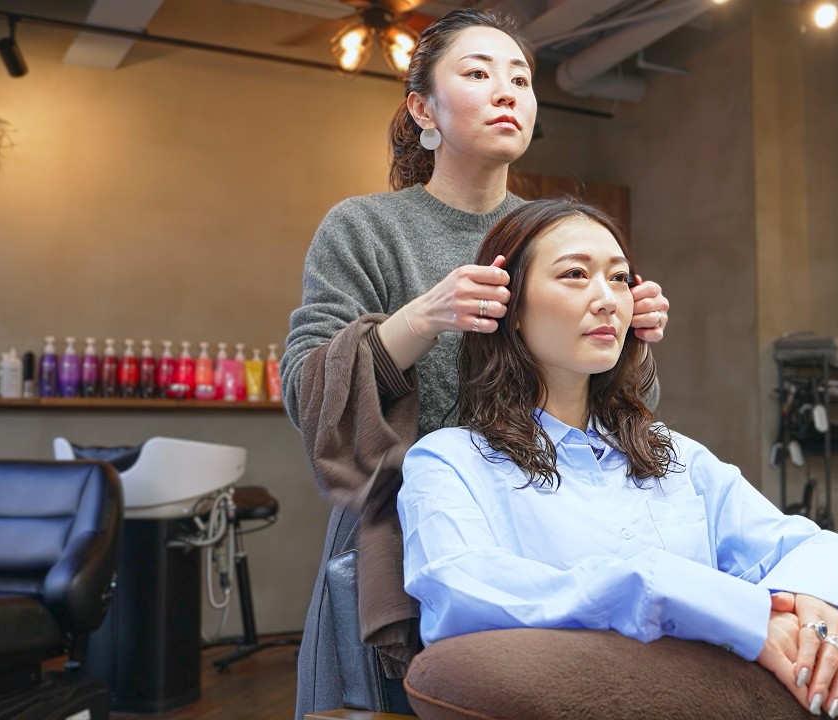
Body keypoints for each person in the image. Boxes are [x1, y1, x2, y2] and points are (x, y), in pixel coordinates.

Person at [282, 9, 672, 718]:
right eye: (478, 73)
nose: (506, 92)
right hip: (402, 547)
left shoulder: (556, 237)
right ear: (422, 108)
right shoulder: (365, 228)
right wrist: (422, 318)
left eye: (520, 79)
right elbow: (309, 391)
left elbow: (609, 412)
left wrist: (628, 338)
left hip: (541, 538)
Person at [398, 200, 838, 718]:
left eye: (619, 279)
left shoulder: (672, 454)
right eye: (574, 274)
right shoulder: (449, 461)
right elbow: (461, 593)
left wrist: (817, 606)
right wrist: (704, 603)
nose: (607, 300)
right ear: (512, 309)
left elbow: (825, 550)